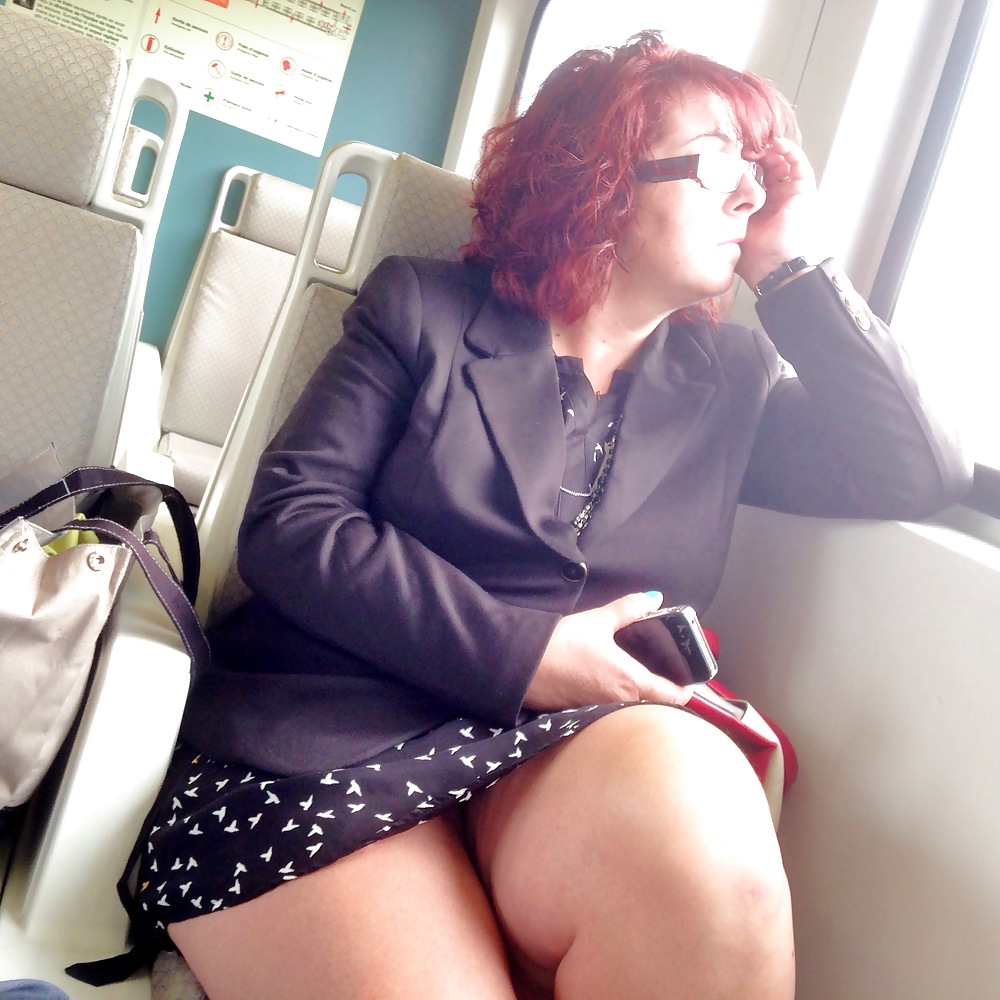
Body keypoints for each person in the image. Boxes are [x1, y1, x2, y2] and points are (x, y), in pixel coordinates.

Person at [129, 31, 970, 1000]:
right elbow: (293, 523)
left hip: (559, 747)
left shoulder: (730, 380)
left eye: (761, 171)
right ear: (601, 180)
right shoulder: (425, 309)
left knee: (724, 881)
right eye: (716, 164)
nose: (750, 194)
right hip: (333, 722)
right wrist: (523, 652)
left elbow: (916, 465)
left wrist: (790, 264)